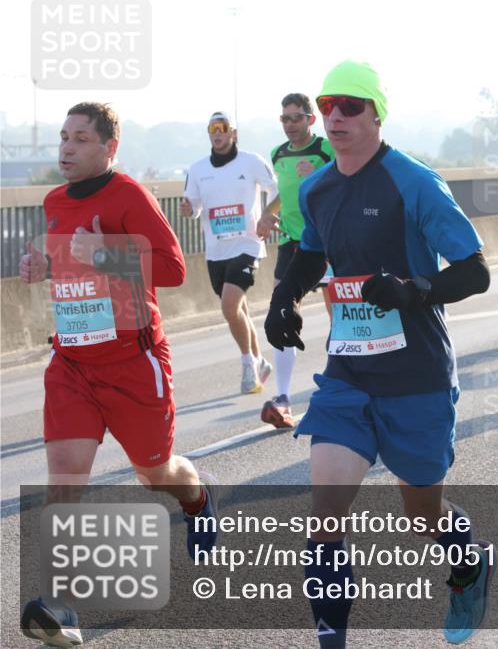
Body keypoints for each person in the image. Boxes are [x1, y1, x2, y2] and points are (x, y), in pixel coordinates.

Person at [263, 61, 492, 647]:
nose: (335, 116)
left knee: (421, 517)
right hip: (349, 373)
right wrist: (283, 297)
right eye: (328, 105)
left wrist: (414, 290)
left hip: (416, 374)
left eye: (350, 106)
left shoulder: (414, 181)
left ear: (377, 114)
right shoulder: (317, 188)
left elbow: (475, 271)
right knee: (325, 520)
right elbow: (311, 254)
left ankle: (468, 563)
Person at [18, 103, 218, 647]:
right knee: (64, 481)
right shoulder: (55, 200)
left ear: (110, 148)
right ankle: (59, 606)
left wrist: (109, 252)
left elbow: (174, 268)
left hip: (133, 363)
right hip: (73, 363)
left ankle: (197, 498)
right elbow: (70, 258)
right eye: (63, 137)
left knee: (155, 473)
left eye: (81, 138)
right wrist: (44, 266)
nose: (66, 147)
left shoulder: (130, 195)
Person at [182, 112, 277, 394]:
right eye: (212, 128)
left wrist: (268, 216)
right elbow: (195, 206)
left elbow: (276, 188)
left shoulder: (251, 161)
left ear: (233, 133)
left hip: (248, 244)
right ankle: (261, 361)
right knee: (240, 309)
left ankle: (248, 364)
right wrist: (189, 210)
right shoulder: (198, 169)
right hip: (216, 250)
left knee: (229, 307)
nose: (217, 133)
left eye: (223, 128)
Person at [255, 94, 335, 429]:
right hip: (292, 243)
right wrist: (265, 215)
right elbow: (284, 193)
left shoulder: (325, 150)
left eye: (296, 118)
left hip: (328, 242)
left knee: (341, 318)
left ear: (311, 120)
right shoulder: (278, 153)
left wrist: (321, 171)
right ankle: (284, 398)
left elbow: (347, 178)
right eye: (284, 119)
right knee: (281, 313)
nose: (290, 125)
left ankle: (341, 384)